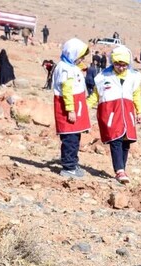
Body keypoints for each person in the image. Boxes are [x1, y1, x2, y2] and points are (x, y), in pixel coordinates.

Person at [86, 45, 141, 184]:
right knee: (115, 140)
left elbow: (136, 95)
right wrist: (85, 108)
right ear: (113, 62)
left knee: (126, 142)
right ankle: (119, 170)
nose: (121, 68)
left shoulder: (133, 77)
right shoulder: (103, 77)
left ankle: (121, 168)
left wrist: (139, 111)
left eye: (124, 65)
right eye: (118, 64)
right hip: (111, 113)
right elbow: (95, 95)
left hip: (127, 113)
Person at [52, 38, 91, 179]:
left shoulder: (70, 66)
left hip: (75, 106)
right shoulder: (65, 69)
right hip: (69, 108)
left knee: (75, 136)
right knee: (70, 139)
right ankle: (68, 167)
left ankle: (73, 163)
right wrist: (70, 109)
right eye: (80, 57)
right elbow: (67, 91)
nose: (81, 60)